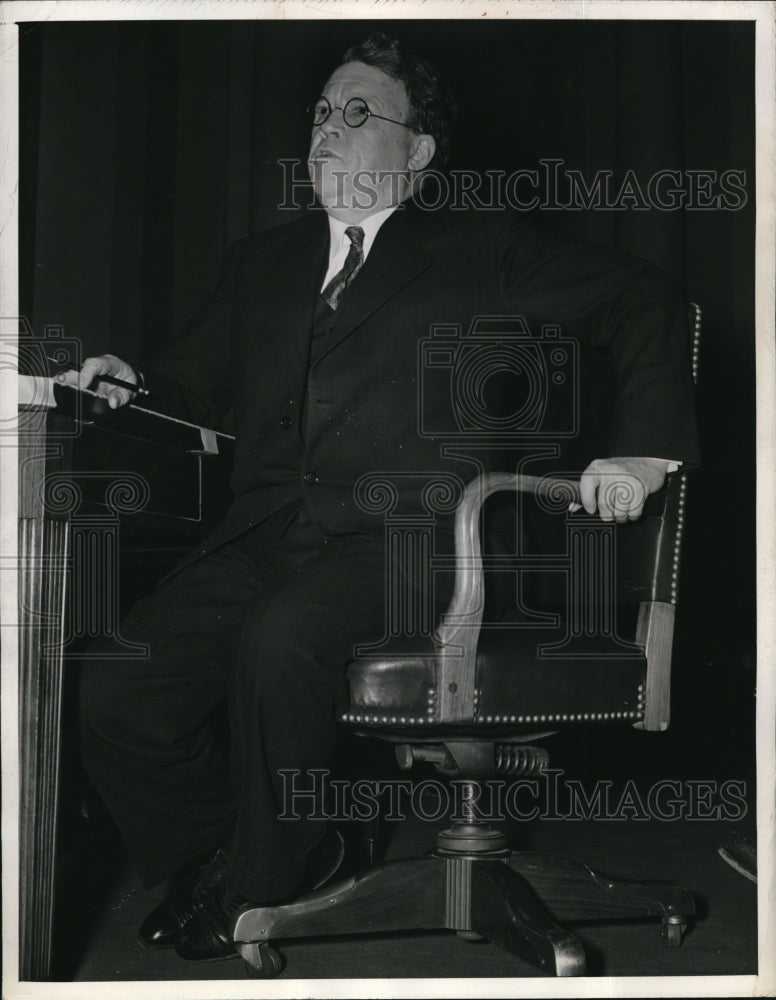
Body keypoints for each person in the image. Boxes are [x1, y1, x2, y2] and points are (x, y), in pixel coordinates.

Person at [66, 33, 699, 963]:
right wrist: (130, 384)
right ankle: (250, 855)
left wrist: (639, 456)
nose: (328, 127)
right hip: (269, 532)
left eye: (359, 111)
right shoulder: (261, 263)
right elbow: (187, 383)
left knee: (279, 639)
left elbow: (648, 297)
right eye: (323, 111)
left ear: (418, 150)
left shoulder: (479, 247)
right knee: (118, 684)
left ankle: (258, 885)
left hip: (417, 542)